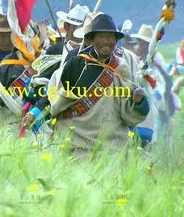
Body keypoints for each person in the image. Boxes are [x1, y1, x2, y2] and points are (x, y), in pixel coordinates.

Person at [49, 14, 151, 158]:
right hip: (77, 149)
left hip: (112, 152)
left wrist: (138, 102)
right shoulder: (75, 64)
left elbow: (128, 116)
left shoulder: (121, 67)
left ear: (116, 41)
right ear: (91, 39)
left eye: (110, 37)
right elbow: (54, 100)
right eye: (101, 36)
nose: (106, 41)